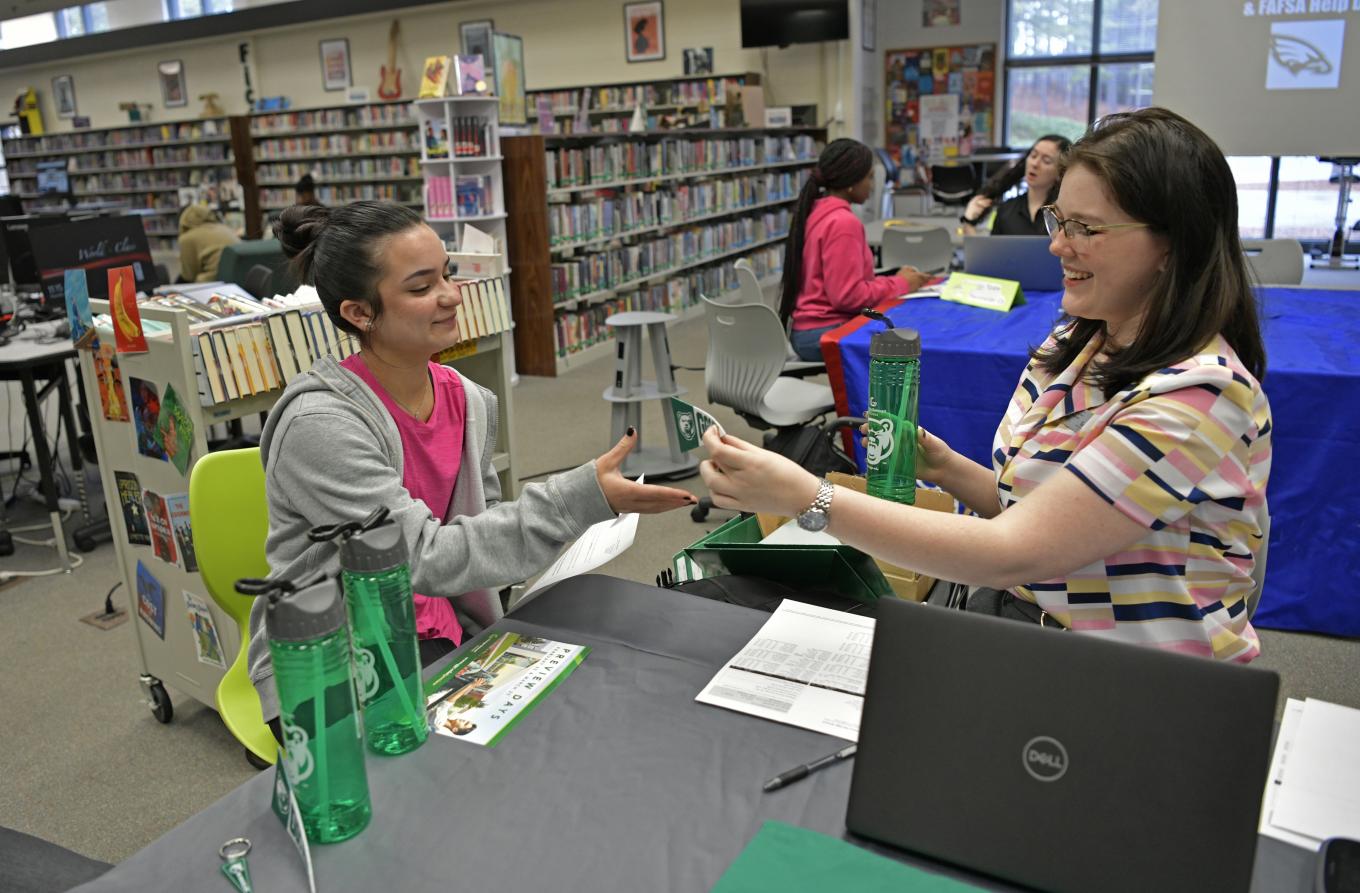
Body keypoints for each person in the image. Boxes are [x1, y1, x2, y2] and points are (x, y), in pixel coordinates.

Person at [702, 107, 1270, 662]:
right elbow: (1037, 511)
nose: (1057, 245)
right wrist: (947, 468)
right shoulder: (1080, 343)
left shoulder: (1198, 399)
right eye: (1058, 220)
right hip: (1023, 619)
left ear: (1172, 245)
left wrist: (807, 498)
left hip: (1131, 674)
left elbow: (1011, 552)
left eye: (1086, 229)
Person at [247, 201, 696, 721]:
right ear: (359, 312)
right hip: (338, 656)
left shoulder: (469, 399)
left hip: (442, 620)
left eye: (448, 274)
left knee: (586, 686)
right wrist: (581, 497)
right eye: (421, 287)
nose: (451, 296)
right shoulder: (320, 425)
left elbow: (481, 528)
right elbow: (417, 557)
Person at [780, 139, 932, 362]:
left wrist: (892, 279)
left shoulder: (817, 211)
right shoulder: (843, 223)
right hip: (824, 331)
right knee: (917, 339)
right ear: (851, 182)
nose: (871, 185)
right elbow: (847, 297)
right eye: (869, 177)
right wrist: (901, 284)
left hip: (808, 328)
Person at [959, 134, 1071, 236]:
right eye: (1033, 155)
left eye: (1046, 161)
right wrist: (969, 222)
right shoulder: (1006, 210)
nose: (1035, 164)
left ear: (1060, 173)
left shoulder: (1065, 214)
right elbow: (992, 256)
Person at [176, 203, 239, 282]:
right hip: (239, 275)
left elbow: (189, 275)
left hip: (215, 280)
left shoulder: (187, 238)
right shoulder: (224, 228)